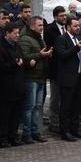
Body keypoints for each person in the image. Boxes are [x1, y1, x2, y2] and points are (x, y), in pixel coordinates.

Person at [54, 16, 81, 141]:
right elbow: (62, 55)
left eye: (78, 26)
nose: (78, 28)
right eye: (75, 26)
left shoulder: (79, 38)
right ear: (68, 27)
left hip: (80, 76)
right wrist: (78, 48)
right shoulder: (61, 39)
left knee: (76, 105)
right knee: (66, 106)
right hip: (68, 78)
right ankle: (64, 131)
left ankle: (74, 129)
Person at [18, 16, 52, 144]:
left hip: (40, 76)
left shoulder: (39, 39)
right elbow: (24, 56)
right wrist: (40, 55)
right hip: (31, 77)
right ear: (32, 26)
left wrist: (47, 54)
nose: (42, 28)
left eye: (42, 26)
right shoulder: (26, 39)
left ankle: (35, 131)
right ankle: (27, 133)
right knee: (29, 106)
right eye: (39, 25)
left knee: (37, 106)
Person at [0, 23, 26, 148]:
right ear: (7, 33)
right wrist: (14, 65)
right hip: (5, 87)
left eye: (18, 33)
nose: (17, 35)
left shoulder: (17, 46)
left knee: (15, 115)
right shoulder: (0, 47)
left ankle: (13, 136)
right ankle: (2, 138)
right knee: (4, 115)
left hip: (18, 86)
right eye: (15, 33)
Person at [43, 6, 68, 134]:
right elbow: (50, 47)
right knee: (55, 97)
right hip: (56, 68)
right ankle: (54, 122)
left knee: (66, 97)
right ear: (55, 17)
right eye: (61, 16)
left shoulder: (68, 28)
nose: (64, 17)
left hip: (68, 68)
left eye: (65, 15)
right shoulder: (49, 30)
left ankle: (64, 120)